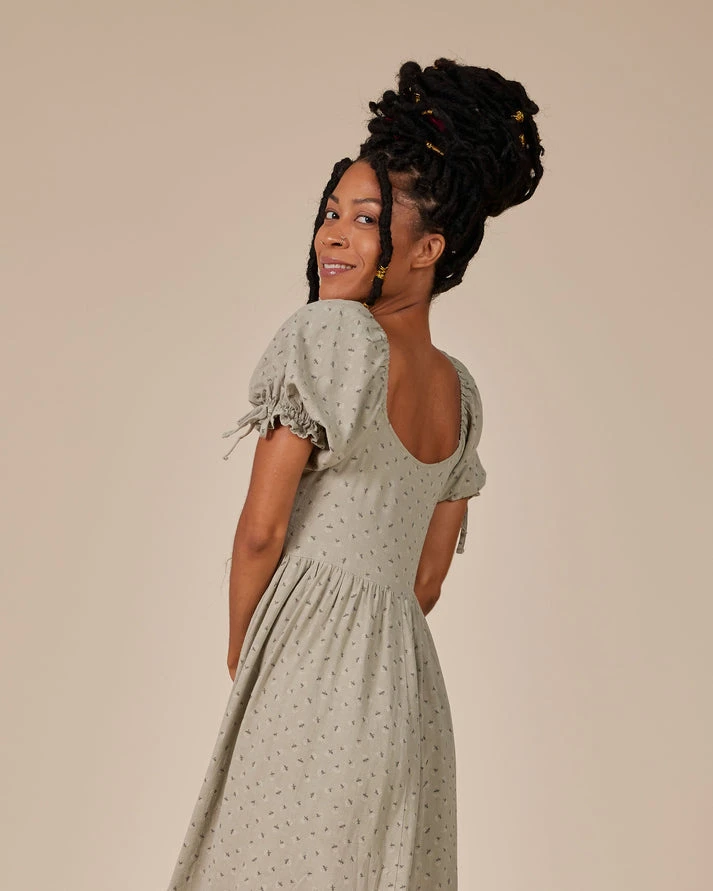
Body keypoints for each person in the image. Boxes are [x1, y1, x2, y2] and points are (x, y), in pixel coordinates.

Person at [166, 57, 545, 890]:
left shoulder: (330, 336)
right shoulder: (459, 392)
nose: (332, 236)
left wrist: (246, 647)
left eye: (365, 220)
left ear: (427, 249)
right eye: (330, 213)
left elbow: (262, 529)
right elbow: (428, 577)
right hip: (405, 687)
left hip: (309, 661)